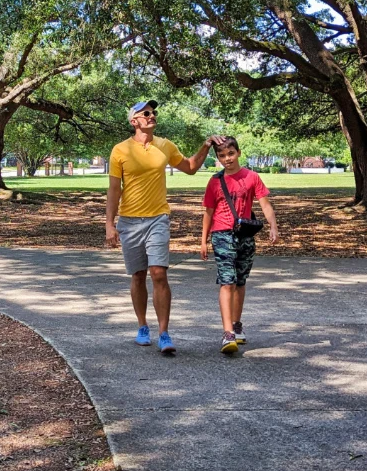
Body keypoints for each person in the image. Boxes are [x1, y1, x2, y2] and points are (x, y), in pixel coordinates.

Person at [106, 100, 221, 356]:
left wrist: (205, 146)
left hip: (158, 217)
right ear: (134, 121)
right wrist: (109, 224)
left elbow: (190, 168)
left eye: (154, 112)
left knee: (158, 272)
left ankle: (164, 333)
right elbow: (115, 189)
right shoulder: (120, 150)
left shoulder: (165, 146)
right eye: (146, 113)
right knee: (138, 275)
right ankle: (142, 327)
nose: (152, 115)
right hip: (129, 221)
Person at [200, 137, 278, 354]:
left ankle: (236, 324)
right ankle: (227, 334)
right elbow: (208, 212)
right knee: (227, 282)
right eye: (222, 156)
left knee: (240, 282)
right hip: (221, 234)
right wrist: (203, 240)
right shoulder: (215, 182)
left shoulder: (251, 177)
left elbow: (265, 204)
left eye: (231, 154)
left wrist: (273, 226)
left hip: (244, 235)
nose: (227, 159)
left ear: (239, 153)